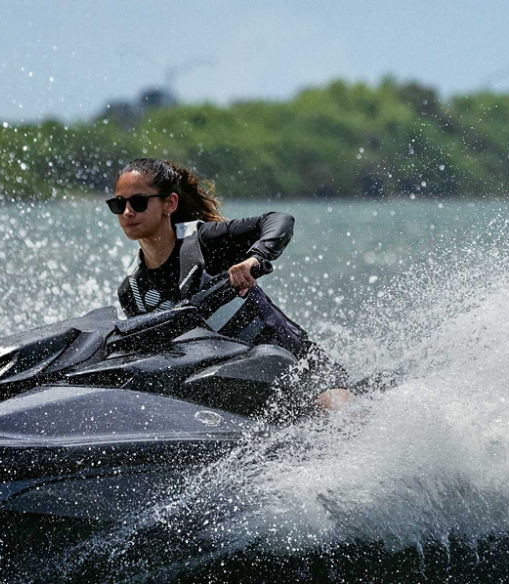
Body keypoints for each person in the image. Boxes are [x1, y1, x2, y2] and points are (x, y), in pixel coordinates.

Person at [109, 157, 353, 411]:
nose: (127, 212)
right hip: (236, 391)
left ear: (169, 203)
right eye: (118, 204)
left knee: (333, 410)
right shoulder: (132, 291)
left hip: (300, 369)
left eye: (138, 202)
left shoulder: (205, 242)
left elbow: (279, 220)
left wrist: (255, 260)